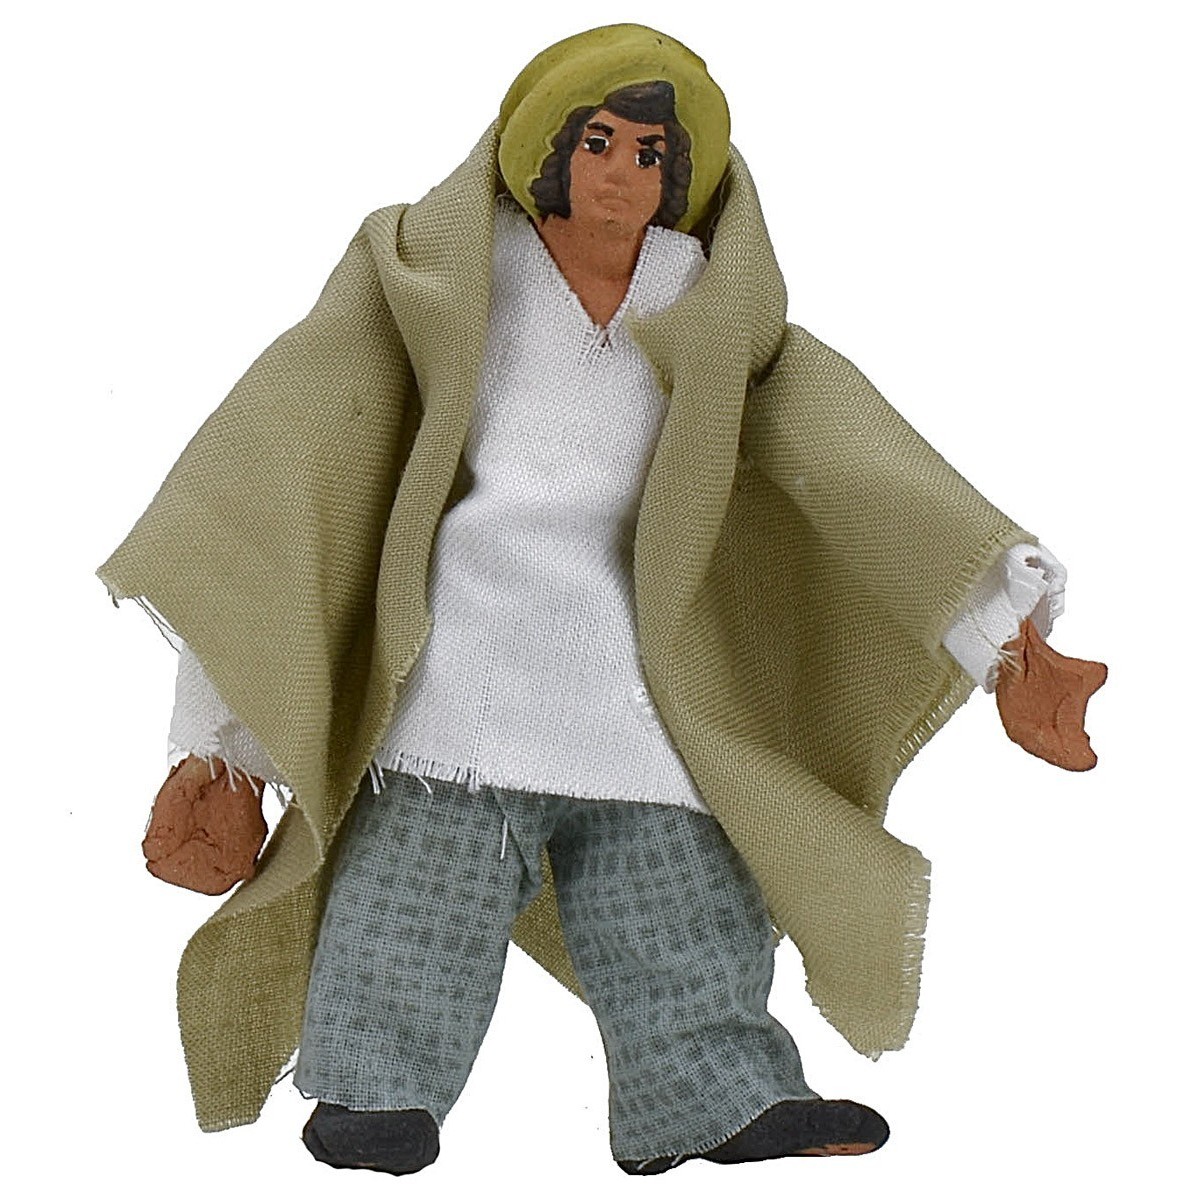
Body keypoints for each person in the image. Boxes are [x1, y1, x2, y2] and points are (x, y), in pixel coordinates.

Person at [100, 23, 1105, 1177]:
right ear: (546, 153)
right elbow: (285, 480)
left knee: (684, 921)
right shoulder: (438, 286)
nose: (623, 173)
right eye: (600, 142)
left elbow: (861, 471)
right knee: (409, 910)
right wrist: (222, 748)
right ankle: (374, 1091)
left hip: (638, 694)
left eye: (650, 154)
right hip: (461, 690)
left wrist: (1004, 637)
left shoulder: (714, 318)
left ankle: (712, 1098)